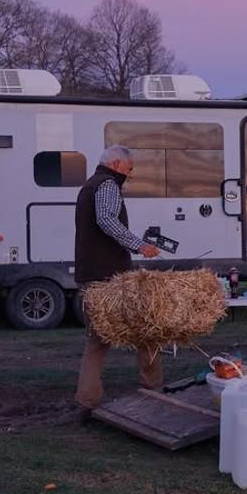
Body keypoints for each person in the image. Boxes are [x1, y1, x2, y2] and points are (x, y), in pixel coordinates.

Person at [74, 145, 161, 411]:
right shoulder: (108, 184)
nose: (130, 174)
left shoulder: (88, 186)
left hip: (91, 275)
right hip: (111, 279)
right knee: (146, 328)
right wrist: (139, 245)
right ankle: (154, 389)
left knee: (97, 340)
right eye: (129, 168)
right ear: (116, 164)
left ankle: (87, 401)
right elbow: (107, 220)